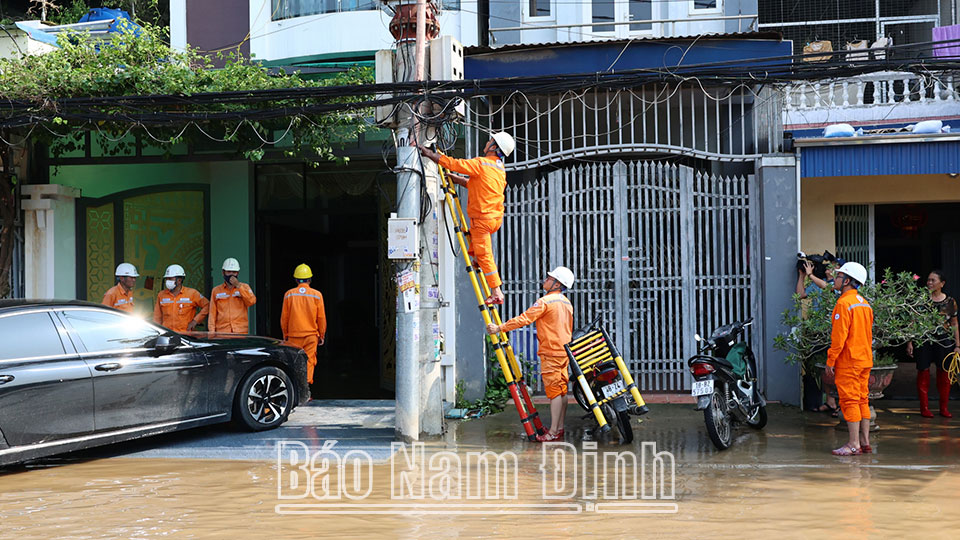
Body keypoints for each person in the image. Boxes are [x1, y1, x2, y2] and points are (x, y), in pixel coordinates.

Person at [418, 132, 515, 305]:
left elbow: (455, 164)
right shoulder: (499, 169)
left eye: (490, 141)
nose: (487, 142)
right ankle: (477, 259)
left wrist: (430, 154)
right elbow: (477, 185)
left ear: (494, 147)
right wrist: (458, 180)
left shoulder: (481, 163)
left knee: (485, 254)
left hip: (482, 219)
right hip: (494, 218)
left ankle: (496, 291)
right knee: (481, 251)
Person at [486, 266, 574, 442]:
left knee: (554, 393)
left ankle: (553, 432)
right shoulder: (566, 303)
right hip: (564, 351)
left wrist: (499, 328)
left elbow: (524, 319)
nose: (546, 279)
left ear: (557, 284)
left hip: (550, 352)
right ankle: (560, 428)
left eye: (550, 278)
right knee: (562, 392)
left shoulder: (545, 302)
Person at [826, 261, 874, 456]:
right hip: (864, 359)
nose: (835, 279)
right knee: (863, 400)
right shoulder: (864, 304)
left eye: (838, 276)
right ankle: (864, 441)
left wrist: (831, 360)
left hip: (849, 361)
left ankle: (853, 444)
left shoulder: (844, 304)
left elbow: (839, 337)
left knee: (849, 401)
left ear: (847, 280)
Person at [907, 270, 960, 418]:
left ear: (942, 284)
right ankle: (924, 408)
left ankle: (944, 408)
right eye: (928, 280)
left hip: (943, 340)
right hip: (923, 339)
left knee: (944, 373)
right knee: (923, 371)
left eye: (933, 280)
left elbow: (954, 323)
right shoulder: (921, 300)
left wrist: (957, 345)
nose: (929, 283)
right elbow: (913, 322)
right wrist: (910, 341)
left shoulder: (950, 302)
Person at [796, 258, 840, 415]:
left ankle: (836, 403)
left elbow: (827, 288)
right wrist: (802, 275)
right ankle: (828, 402)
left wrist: (810, 275)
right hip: (816, 331)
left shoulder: (839, 285)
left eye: (834, 266)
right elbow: (800, 294)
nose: (829, 268)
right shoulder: (817, 282)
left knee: (834, 368)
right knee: (819, 368)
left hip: (832, 332)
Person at [281, 264, 326, 386]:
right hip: (311, 335)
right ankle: (305, 389)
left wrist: (285, 334)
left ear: (296, 279)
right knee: (309, 361)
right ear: (310, 279)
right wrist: (321, 335)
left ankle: (295, 388)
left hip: (294, 335)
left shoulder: (289, 294)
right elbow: (321, 318)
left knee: (294, 361)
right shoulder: (317, 295)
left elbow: (284, 318)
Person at [153, 264, 209, 333]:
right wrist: (157, 331)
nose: (167, 281)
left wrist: (195, 321)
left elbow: (207, 306)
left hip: (186, 336)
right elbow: (157, 317)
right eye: (166, 278)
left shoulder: (192, 293)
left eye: (170, 278)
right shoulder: (161, 295)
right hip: (167, 335)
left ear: (179, 280)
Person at [208, 257, 257, 334]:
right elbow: (212, 313)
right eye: (229, 272)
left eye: (234, 272)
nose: (231, 274)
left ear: (237, 273)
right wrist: (211, 331)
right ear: (223, 272)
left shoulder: (245, 287)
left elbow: (251, 301)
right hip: (222, 332)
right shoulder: (216, 290)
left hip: (240, 332)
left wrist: (238, 286)